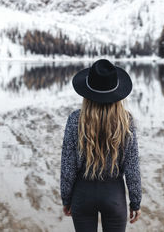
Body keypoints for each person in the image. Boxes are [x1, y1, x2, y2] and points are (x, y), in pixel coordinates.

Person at [60, 59, 142, 232]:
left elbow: (68, 167)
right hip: (114, 196)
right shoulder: (125, 122)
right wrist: (136, 202)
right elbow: (132, 168)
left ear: (86, 92)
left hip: (82, 195)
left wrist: (66, 199)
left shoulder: (76, 120)